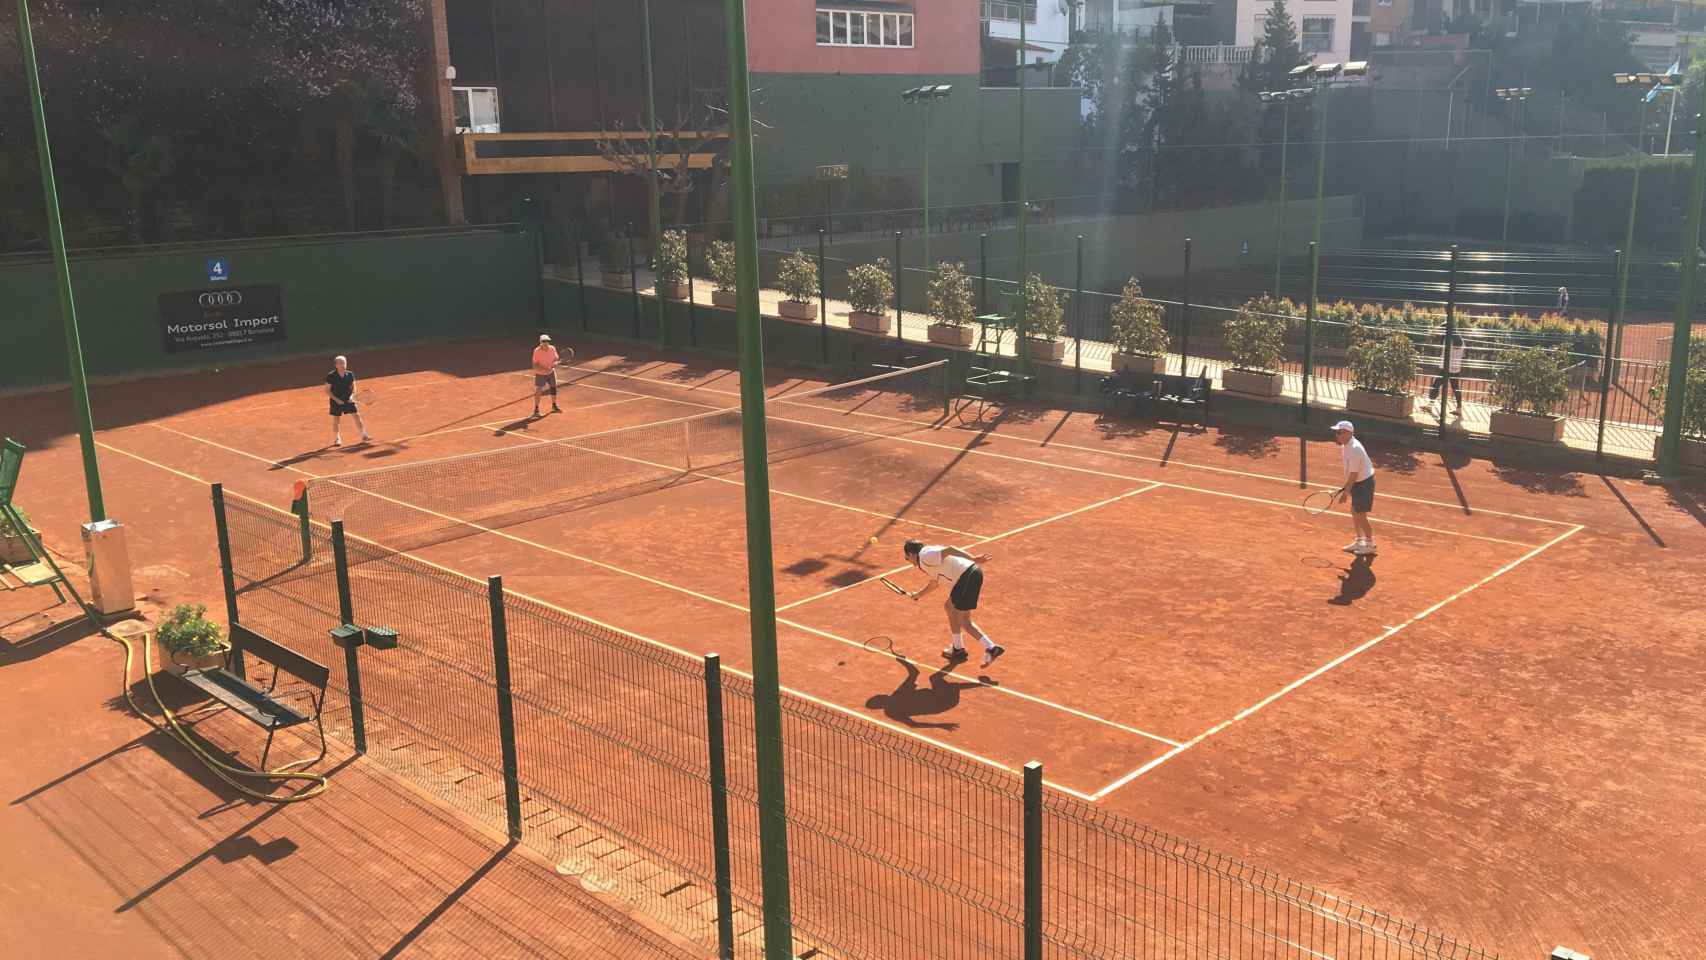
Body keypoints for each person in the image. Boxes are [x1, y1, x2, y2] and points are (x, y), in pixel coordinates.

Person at [900, 540, 1003, 667]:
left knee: (964, 620)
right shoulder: (926, 561)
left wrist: (973, 558)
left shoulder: (926, 555)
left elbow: (950, 549)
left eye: (907, 558)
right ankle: (958, 648)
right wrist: (918, 595)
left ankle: (991, 648)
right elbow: (934, 583)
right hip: (969, 577)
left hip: (967, 576)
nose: (909, 562)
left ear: (911, 554)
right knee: (949, 607)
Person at [1330, 420, 1376, 556]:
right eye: (1336, 433)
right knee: (1354, 511)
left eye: (1339, 433)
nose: (1337, 435)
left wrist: (1346, 492)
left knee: (1360, 514)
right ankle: (1360, 540)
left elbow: (1354, 474)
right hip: (1357, 482)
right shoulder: (1346, 446)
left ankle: (1370, 544)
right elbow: (1350, 472)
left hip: (1364, 483)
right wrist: (1346, 488)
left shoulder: (1355, 449)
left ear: (1348, 433)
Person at [325, 355, 370, 447]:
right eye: (340, 363)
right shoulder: (331, 376)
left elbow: (353, 386)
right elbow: (327, 390)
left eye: (344, 363)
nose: (343, 365)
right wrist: (337, 400)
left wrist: (352, 396)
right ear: (336, 365)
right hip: (336, 401)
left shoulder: (350, 374)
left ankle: (364, 435)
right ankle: (337, 438)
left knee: (356, 416)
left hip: (348, 399)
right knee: (336, 420)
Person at [1427, 333, 1466, 419]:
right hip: (1455, 368)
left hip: (1446, 368)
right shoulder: (1460, 340)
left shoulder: (1449, 339)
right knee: (1455, 388)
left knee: (1436, 385)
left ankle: (1430, 405)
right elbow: (1463, 355)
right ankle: (1459, 408)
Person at [530, 334, 563, 418]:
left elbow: (556, 359)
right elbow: (535, 364)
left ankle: (554, 406)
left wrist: (555, 363)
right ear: (540, 342)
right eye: (544, 341)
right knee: (539, 390)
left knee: (553, 387)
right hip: (540, 374)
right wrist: (544, 368)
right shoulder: (536, 351)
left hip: (551, 372)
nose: (546, 343)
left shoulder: (552, 348)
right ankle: (536, 409)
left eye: (547, 341)